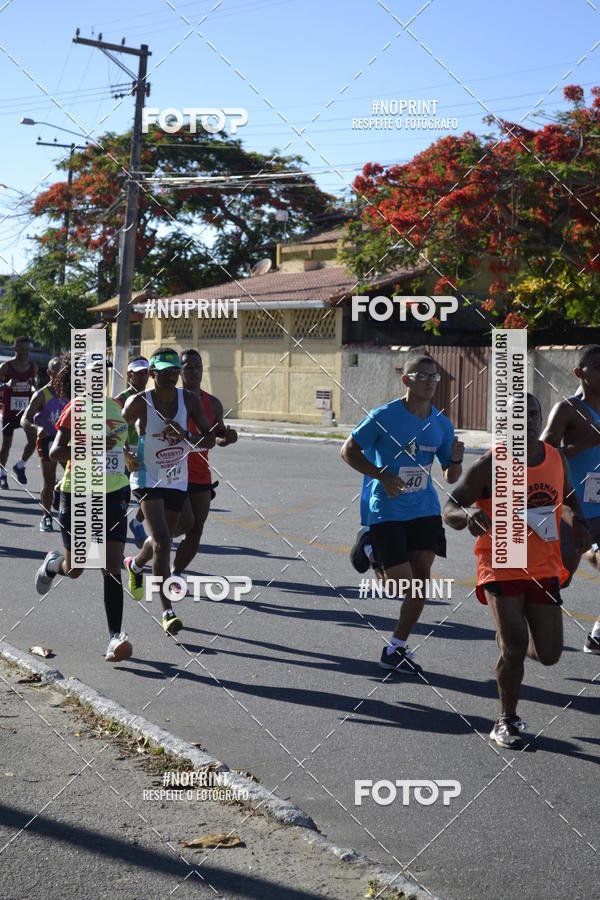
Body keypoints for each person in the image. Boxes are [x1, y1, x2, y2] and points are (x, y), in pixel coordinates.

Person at [443, 393, 592, 749]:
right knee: (514, 647)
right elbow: (449, 507)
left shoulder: (555, 458)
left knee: (550, 654)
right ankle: (506, 720)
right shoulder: (489, 464)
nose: (527, 421)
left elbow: (568, 497)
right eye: (518, 416)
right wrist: (468, 515)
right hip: (502, 563)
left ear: (540, 419)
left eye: (533, 414)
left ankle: (514, 639)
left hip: (543, 566)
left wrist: (579, 523)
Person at [341, 351, 464, 675]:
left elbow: (450, 476)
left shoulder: (441, 423)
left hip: (424, 508)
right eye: (422, 376)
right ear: (406, 380)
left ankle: (395, 648)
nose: (430, 382)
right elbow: (348, 451)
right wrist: (381, 474)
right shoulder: (384, 416)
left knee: (421, 582)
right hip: (387, 509)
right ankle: (369, 546)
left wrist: (455, 460)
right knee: (399, 587)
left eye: (434, 376)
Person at [34, 352, 140, 662]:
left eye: (102, 374)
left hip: (114, 493)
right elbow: (56, 452)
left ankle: (115, 638)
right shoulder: (75, 408)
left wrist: (127, 456)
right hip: (79, 494)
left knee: (111, 567)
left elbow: (118, 444)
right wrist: (93, 446)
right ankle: (53, 564)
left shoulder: (115, 407)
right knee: (76, 569)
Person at [122, 347, 215, 635]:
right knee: (163, 540)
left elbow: (209, 438)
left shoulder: (189, 400)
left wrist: (186, 435)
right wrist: (125, 453)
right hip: (146, 476)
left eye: (174, 372)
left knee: (171, 533)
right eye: (163, 373)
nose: (170, 378)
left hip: (176, 478)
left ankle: (136, 565)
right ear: (152, 374)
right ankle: (168, 612)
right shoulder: (139, 402)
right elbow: (113, 430)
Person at [541, 345, 600, 654]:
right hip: (572, 508)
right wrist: (581, 445)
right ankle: (531, 614)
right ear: (580, 373)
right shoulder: (567, 409)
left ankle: (597, 635)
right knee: (561, 576)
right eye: (598, 366)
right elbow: (541, 455)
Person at [170, 348, 237, 587]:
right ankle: (140, 560)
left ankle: (176, 573)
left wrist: (228, 438)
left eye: (198, 366)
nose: (194, 372)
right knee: (179, 525)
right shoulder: (171, 400)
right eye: (188, 367)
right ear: (179, 372)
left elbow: (218, 435)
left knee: (196, 529)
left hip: (200, 474)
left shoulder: (213, 404)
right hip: (172, 474)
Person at [21, 357, 69, 531]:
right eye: (58, 372)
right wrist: (36, 428)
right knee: (48, 482)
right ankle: (46, 516)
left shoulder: (69, 393)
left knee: (77, 475)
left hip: (65, 440)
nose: (62, 376)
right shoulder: (41, 395)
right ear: (49, 372)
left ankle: (59, 487)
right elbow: (24, 419)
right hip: (47, 440)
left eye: (64, 372)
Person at [115, 356, 150, 549]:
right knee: (123, 498)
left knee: (152, 492)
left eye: (146, 372)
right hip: (124, 454)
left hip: (146, 452)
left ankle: (137, 523)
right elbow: (116, 428)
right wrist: (126, 451)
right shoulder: (121, 399)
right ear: (129, 375)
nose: (144, 376)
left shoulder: (152, 396)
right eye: (139, 373)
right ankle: (117, 540)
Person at [0, 336, 38, 488]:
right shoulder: (6, 367)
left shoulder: (33, 366)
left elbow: (33, 384)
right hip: (9, 412)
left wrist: (34, 391)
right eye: (21, 349)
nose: (24, 352)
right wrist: (6, 385)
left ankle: (20, 465)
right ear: (14, 349)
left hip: (26, 412)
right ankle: (2, 474)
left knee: (33, 440)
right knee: (6, 445)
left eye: (27, 350)